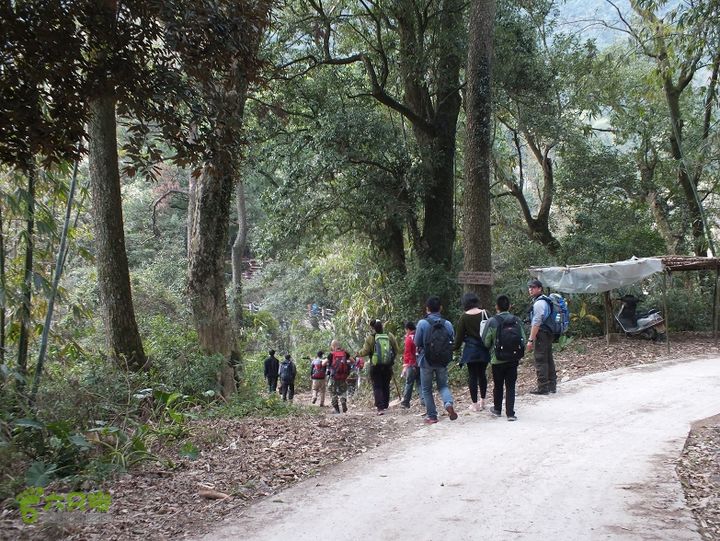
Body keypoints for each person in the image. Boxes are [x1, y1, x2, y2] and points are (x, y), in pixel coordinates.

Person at [415, 296, 458, 424]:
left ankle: (432, 416)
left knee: (427, 389)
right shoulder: (447, 324)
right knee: (443, 385)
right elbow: (452, 340)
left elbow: (417, 342)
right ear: (441, 308)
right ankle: (448, 403)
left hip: (426, 361)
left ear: (427, 309)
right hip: (442, 360)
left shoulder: (422, 323)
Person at [482, 295, 525, 421]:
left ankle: (497, 409)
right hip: (513, 358)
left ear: (497, 307)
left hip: (497, 359)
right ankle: (510, 413)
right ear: (509, 306)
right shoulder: (516, 320)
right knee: (511, 386)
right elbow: (522, 339)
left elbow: (485, 341)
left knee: (498, 384)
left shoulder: (492, 321)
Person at [453, 292, 491, 411]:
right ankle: (483, 401)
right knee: (482, 375)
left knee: (472, 377)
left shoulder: (464, 317)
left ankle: (475, 404)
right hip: (484, 349)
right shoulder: (485, 313)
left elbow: (458, 339)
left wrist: (452, 348)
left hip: (471, 351)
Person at [357, 319, 400, 415]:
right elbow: (396, 349)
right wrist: (391, 358)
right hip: (388, 365)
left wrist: (357, 354)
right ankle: (385, 405)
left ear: (373, 328)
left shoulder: (371, 338)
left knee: (377, 386)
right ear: (382, 326)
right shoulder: (390, 336)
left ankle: (380, 408)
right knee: (385, 385)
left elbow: (365, 351)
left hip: (375, 365)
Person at [526, 279, 557, 394]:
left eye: (533, 287)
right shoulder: (545, 300)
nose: (530, 289)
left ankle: (543, 387)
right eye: (530, 287)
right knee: (548, 358)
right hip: (548, 333)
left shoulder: (539, 303)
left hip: (542, 334)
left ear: (539, 288)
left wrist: (530, 340)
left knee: (540, 359)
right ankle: (552, 385)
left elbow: (536, 323)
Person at [400, 321, 422, 409]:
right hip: (420, 363)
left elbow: (407, 353)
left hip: (411, 364)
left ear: (408, 329)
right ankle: (424, 400)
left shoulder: (409, 339)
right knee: (420, 383)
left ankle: (405, 402)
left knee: (409, 383)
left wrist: (405, 366)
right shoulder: (419, 336)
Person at [327, 340, 352, 413]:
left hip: (333, 377)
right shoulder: (345, 353)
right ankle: (343, 401)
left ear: (333, 346)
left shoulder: (331, 354)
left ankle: (336, 409)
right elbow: (353, 361)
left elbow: (323, 363)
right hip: (343, 376)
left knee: (332, 391)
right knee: (343, 391)